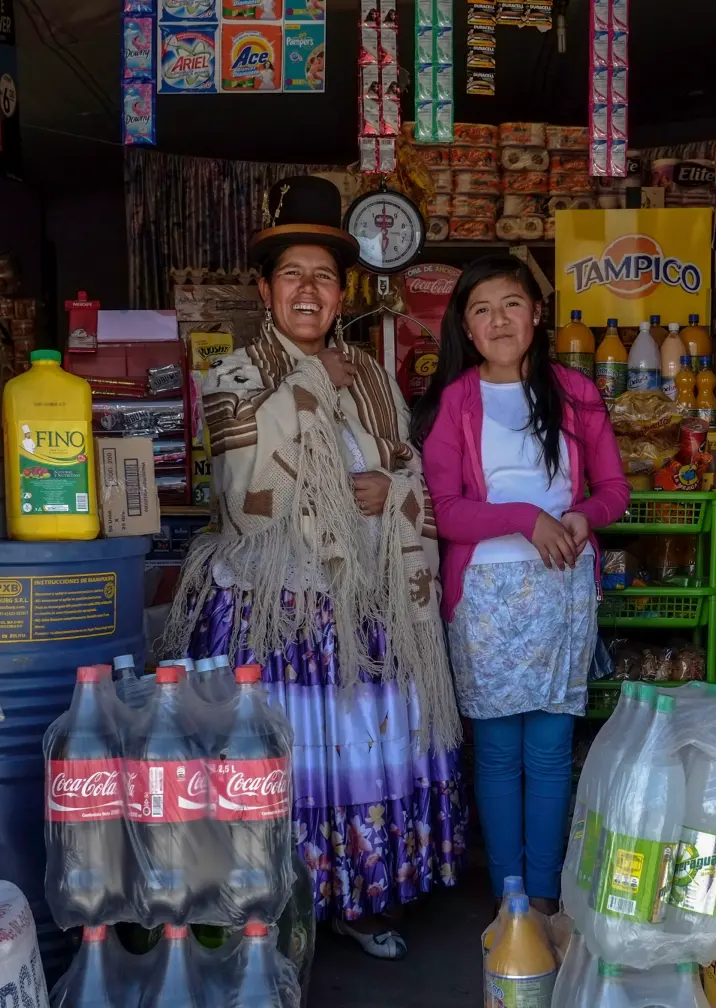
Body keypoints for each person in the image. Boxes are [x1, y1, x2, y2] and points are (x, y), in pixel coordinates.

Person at [163, 176, 463, 959]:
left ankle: (357, 899)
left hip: (364, 605)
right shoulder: (234, 375)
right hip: (275, 607)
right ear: (265, 289)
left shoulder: (368, 375)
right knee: (280, 755)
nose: (308, 289)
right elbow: (238, 485)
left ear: (340, 294)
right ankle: (267, 901)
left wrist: (387, 486)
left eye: (324, 277)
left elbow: (407, 461)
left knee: (358, 752)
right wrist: (305, 383)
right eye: (292, 274)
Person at [412, 255, 628, 916]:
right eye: (482, 310)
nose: (499, 319)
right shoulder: (455, 402)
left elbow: (614, 492)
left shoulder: (576, 393)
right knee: (501, 752)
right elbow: (441, 509)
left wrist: (577, 515)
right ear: (467, 331)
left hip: (562, 593)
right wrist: (523, 518)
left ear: (536, 314)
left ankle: (544, 893)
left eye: (511, 304)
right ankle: (510, 897)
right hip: (483, 599)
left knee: (552, 748)